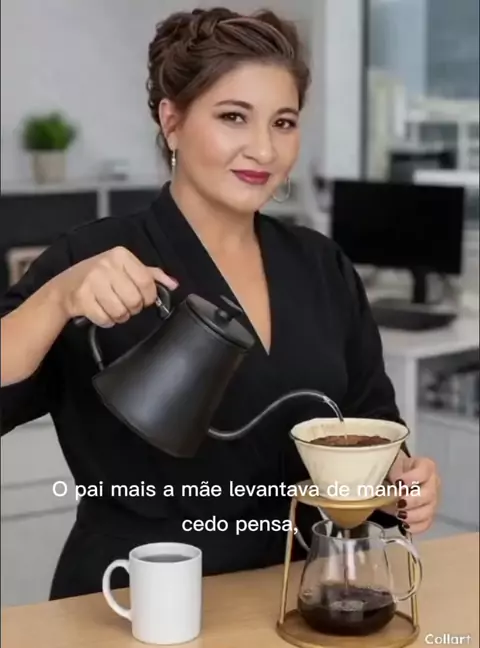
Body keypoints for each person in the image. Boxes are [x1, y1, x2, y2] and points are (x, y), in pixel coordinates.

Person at [0, 7, 440, 600]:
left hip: (304, 596)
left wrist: (401, 483)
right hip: (135, 602)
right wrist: (56, 298)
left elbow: (372, 422)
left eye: (283, 122)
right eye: (234, 117)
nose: (263, 148)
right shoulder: (90, 259)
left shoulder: (321, 265)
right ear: (172, 121)